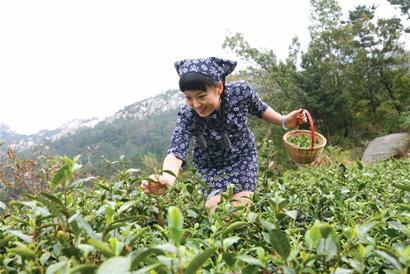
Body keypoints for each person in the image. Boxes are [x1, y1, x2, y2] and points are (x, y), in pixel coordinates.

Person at [141, 57, 306, 211]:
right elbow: (176, 151)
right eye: (188, 98)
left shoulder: (240, 93)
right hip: (209, 168)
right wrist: (167, 179)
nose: (195, 105)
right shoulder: (187, 115)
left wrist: (284, 121)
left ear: (219, 87)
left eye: (201, 96)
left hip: (242, 159)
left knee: (238, 211)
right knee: (214, 214)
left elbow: (260, 109)